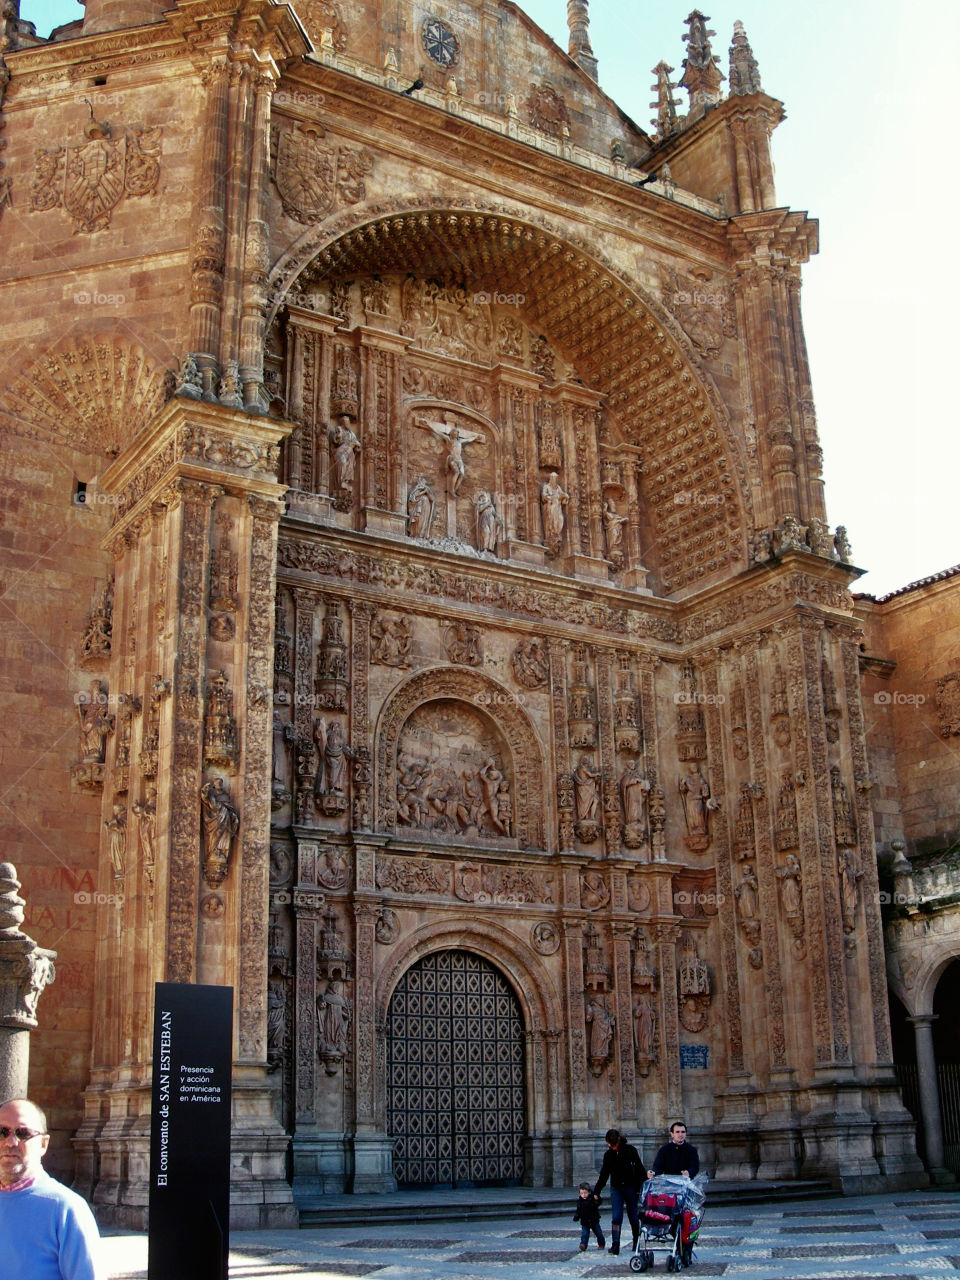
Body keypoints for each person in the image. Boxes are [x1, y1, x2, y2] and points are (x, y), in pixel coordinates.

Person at [0, 1097, 102, 1279]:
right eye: (2, 1132)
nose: (10, 1142)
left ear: (43, 1144)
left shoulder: (66, 1209)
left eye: (22, 1133)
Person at [592, 1127, 645, 1255]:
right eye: (610, 1145)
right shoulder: (608, 1155)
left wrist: (639, 1189)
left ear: (619, 1141)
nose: (612, 1147)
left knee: (633, 1216)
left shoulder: (630, 1150)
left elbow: (640, 1170)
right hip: (616, 1189)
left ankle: (636, 1241)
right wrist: (596, 1191)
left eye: (614, 1145)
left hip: (631, 1188)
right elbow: (604, 1175)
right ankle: (615, 1244)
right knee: (616, 1217)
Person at [573, 1180, 605, 1251]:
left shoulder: (592, 1199)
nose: (583, 1195)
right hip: (584, 1221)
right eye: (581, 1193)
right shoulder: (580, 1201)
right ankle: (583, 1244)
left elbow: (598, 1202)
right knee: (584, 1234)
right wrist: (577, 1216)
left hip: (594, 1220)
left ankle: (601, 1243)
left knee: (598, 1233)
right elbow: (578, 1210)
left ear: (589, 1192)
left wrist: (597, 1199)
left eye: (585, 1193)